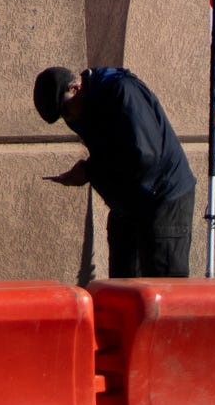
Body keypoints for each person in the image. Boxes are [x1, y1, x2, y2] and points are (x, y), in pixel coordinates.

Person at [35, 64, 198, 277]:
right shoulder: (87, 108)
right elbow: (113, 153)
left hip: (162, 198)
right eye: (61, 117)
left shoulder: (120, 91)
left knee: (164, 291)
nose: (68, 119)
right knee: (123, 292)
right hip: (131, 205)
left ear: (75, 88)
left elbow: (143, 156)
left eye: (65, 110)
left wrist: (89, 172)